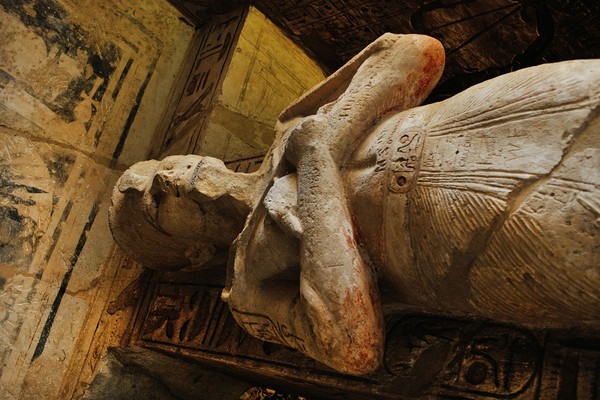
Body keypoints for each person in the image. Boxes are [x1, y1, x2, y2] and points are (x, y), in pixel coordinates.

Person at [110, 33, 600, 375]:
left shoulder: (288, 125)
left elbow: (415, 53)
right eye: (156, 204)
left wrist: (325, 139)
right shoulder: (248, 287)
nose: (168, 178)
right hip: (460, 239)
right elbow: (351, 347)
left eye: (160, 167)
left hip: (486, 118)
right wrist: (318, 161)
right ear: (191, 253)